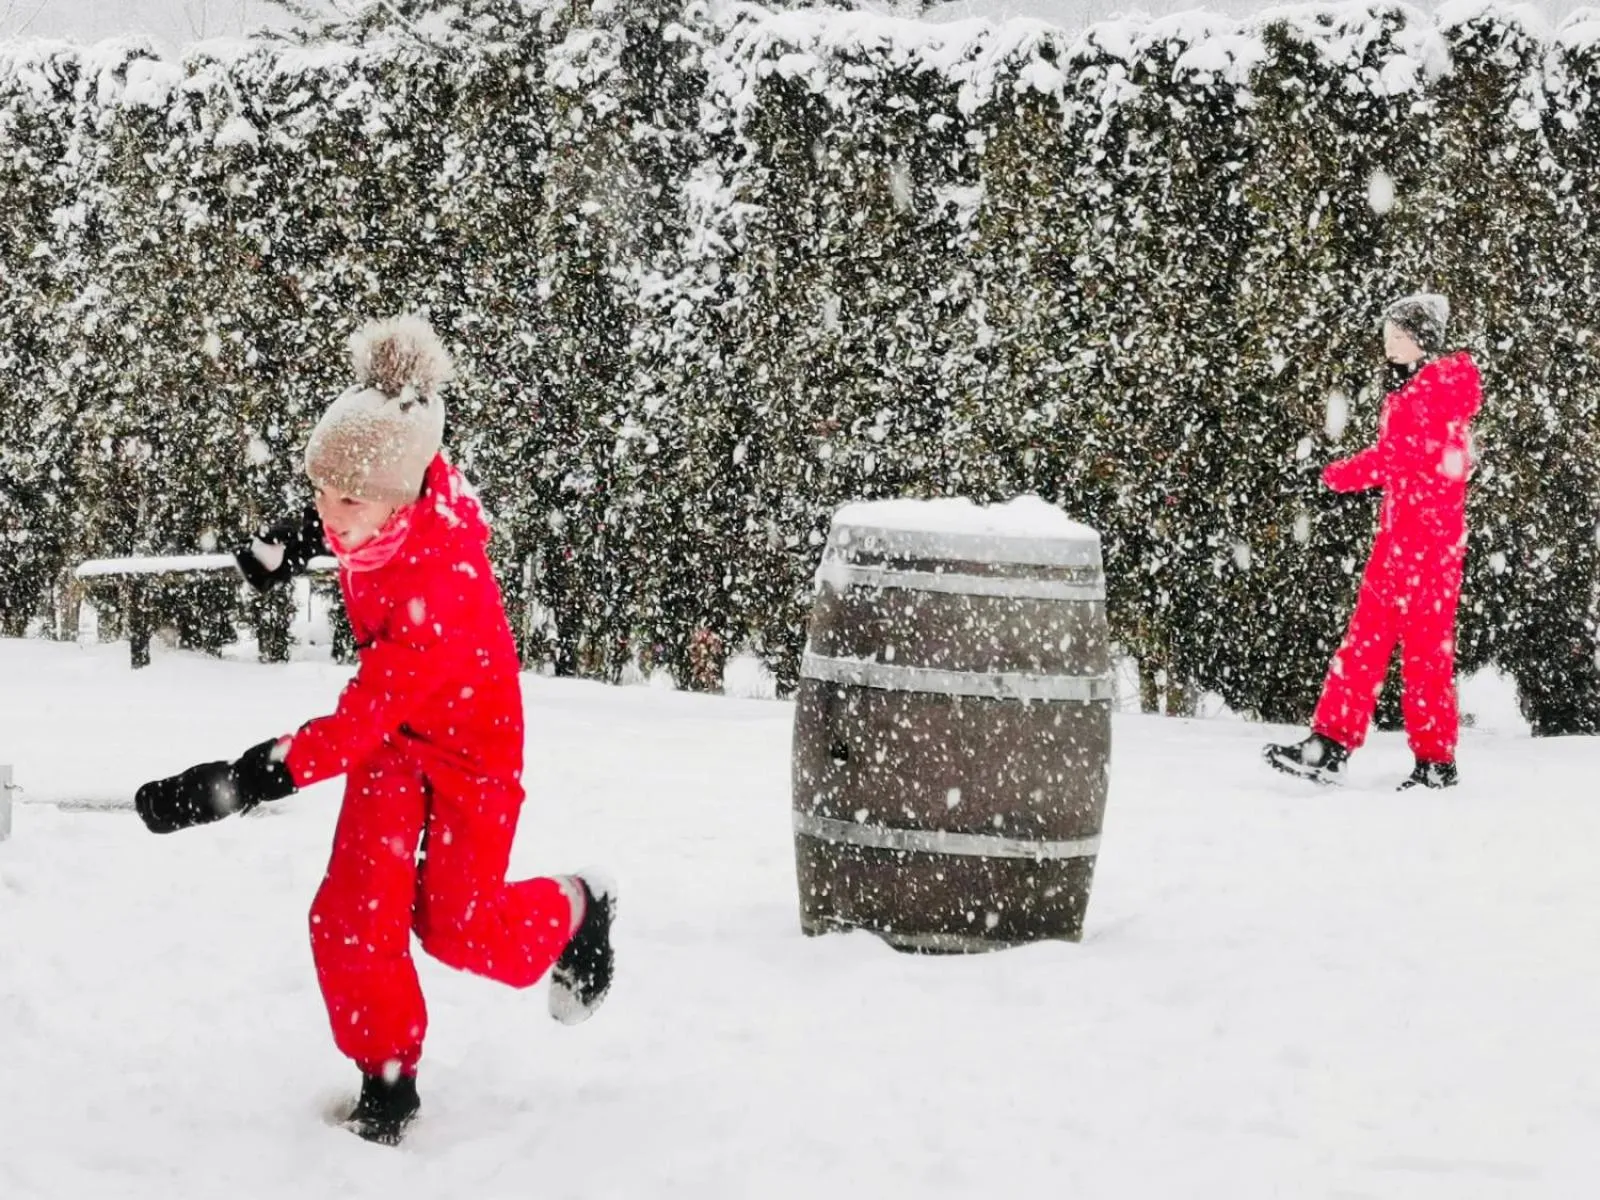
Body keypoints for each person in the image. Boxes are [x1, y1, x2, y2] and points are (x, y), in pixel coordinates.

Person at [134, 314, 615, 1145]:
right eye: (321, 494)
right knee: (354, 917)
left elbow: (354, 724)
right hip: (397, 745)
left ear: (394, 499)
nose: (331, 515)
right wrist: (293, 535)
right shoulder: (393, 487)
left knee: (458, 931)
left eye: (343, 502)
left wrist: (242, 780)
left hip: (469, 752)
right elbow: (359, 485)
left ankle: (578, 909)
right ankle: (387, 1080)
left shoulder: (443, 585)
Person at [1265, 293, 1482, 790]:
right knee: (1370, 644)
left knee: (1418, 653)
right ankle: (1334, 746)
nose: (1390, 344)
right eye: (1389, 336)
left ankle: (1429, 761)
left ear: (1423, 341)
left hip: (1427, 543)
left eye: (1400, 336)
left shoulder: (1431, 393)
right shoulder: (1416, 390)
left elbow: (1396, 458)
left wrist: (1330, 478)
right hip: (1404, 537)